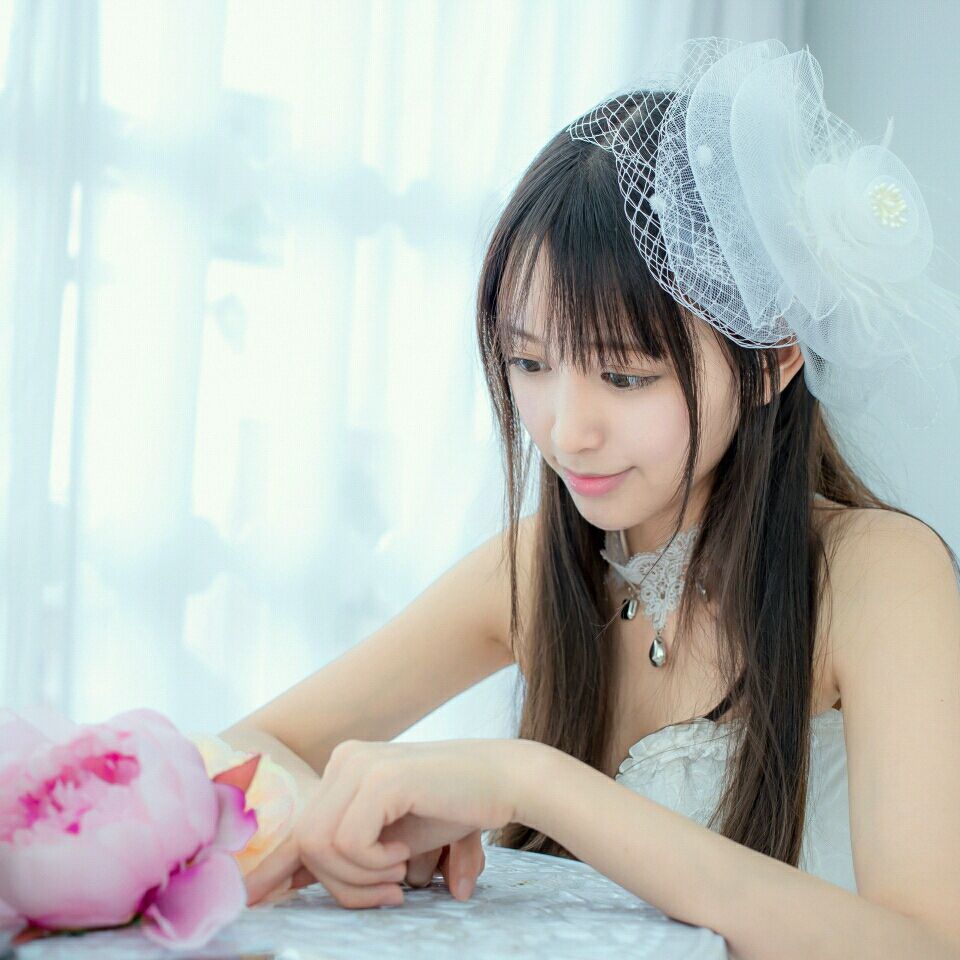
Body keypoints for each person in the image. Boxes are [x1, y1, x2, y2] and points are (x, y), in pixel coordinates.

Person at [219, 38, 960, 956]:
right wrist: (352, 828)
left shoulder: (876, 574)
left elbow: (929, 944)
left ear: (772, 357)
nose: (567, 430)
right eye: (529, 363)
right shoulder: (540, 564)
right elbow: (253, 748)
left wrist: (527, 781)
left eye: (624, 375)